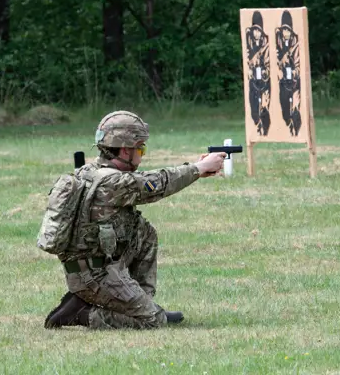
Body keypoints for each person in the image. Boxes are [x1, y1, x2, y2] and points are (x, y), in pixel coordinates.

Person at [42, 111, 226, 330]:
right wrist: (198, 168)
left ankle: (139, 303)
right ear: (125, 150)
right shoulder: (112, 183)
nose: (142, 154)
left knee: (143, 232)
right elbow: (157, 183)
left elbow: (146, 180)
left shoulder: (92, 171)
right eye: (141, 148)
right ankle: (84, 313)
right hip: (95, 276)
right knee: (153, 321)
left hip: (92, 267)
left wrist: (196, 169)